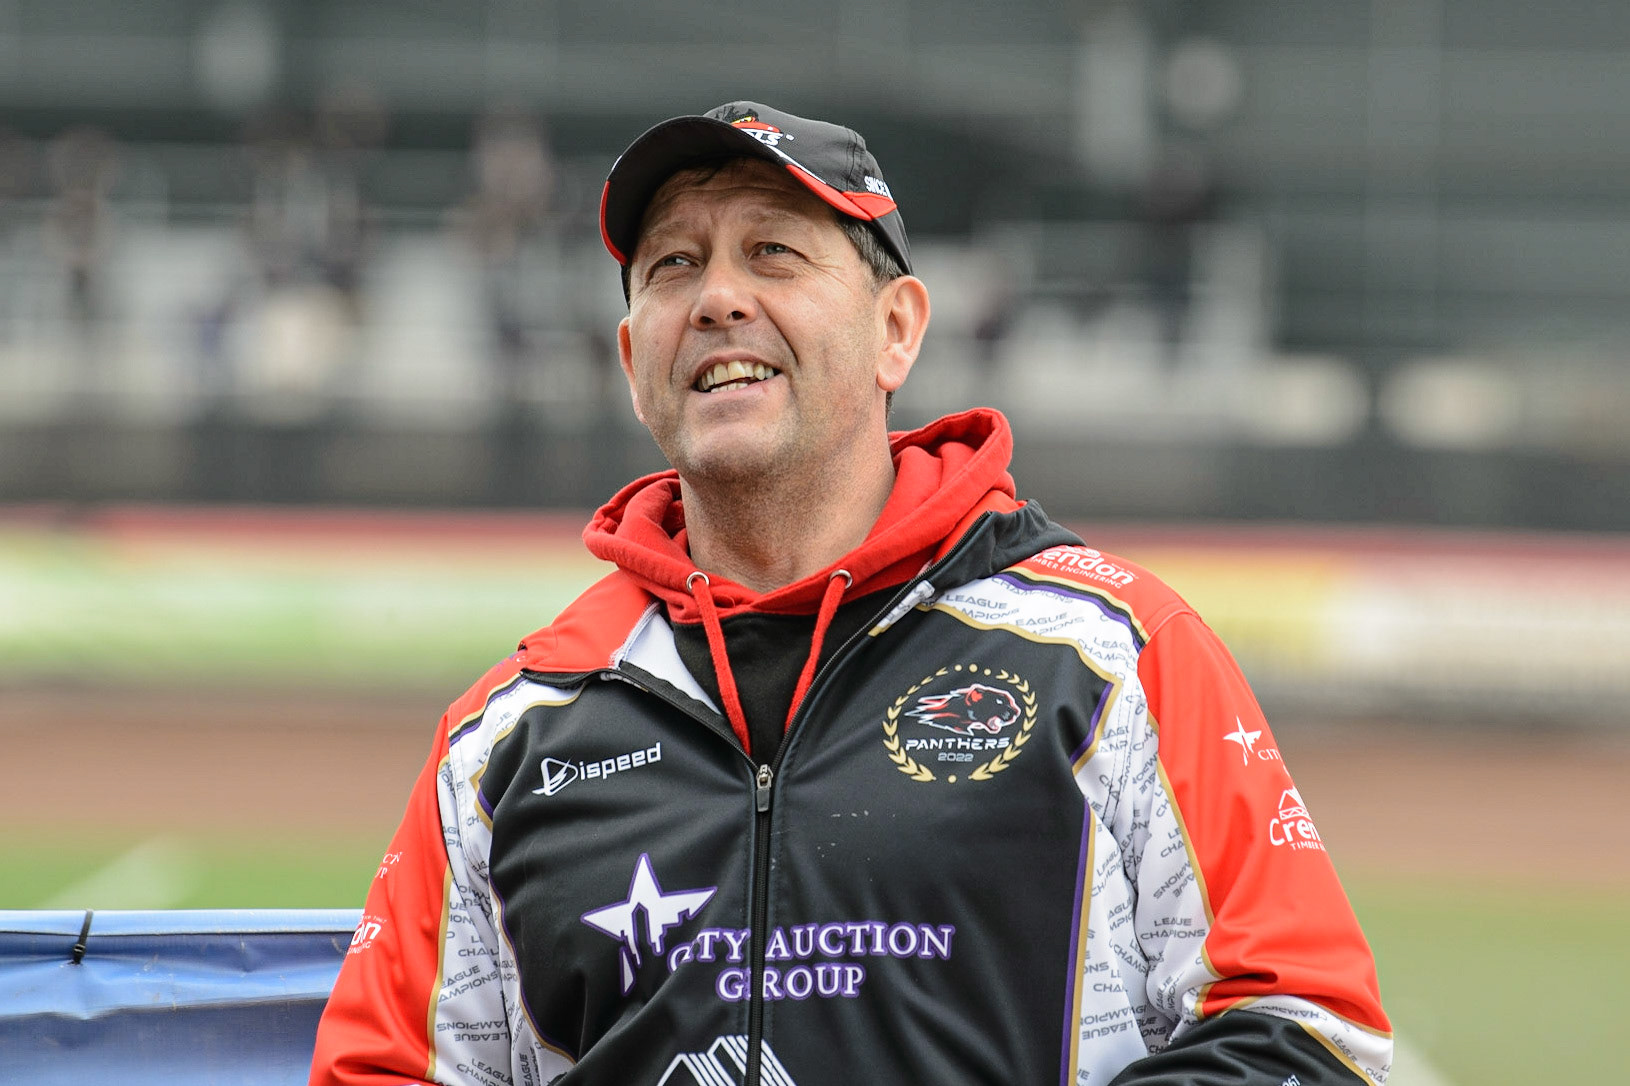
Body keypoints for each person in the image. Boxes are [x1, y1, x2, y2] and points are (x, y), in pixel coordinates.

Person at [310, 101, 1391, 1086]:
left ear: (897, 330)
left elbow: (1309, 1035)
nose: (718, 298)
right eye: (674, 265)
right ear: (633, 359)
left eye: (773, 253)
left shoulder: (1114, 656)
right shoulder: (504, 744)